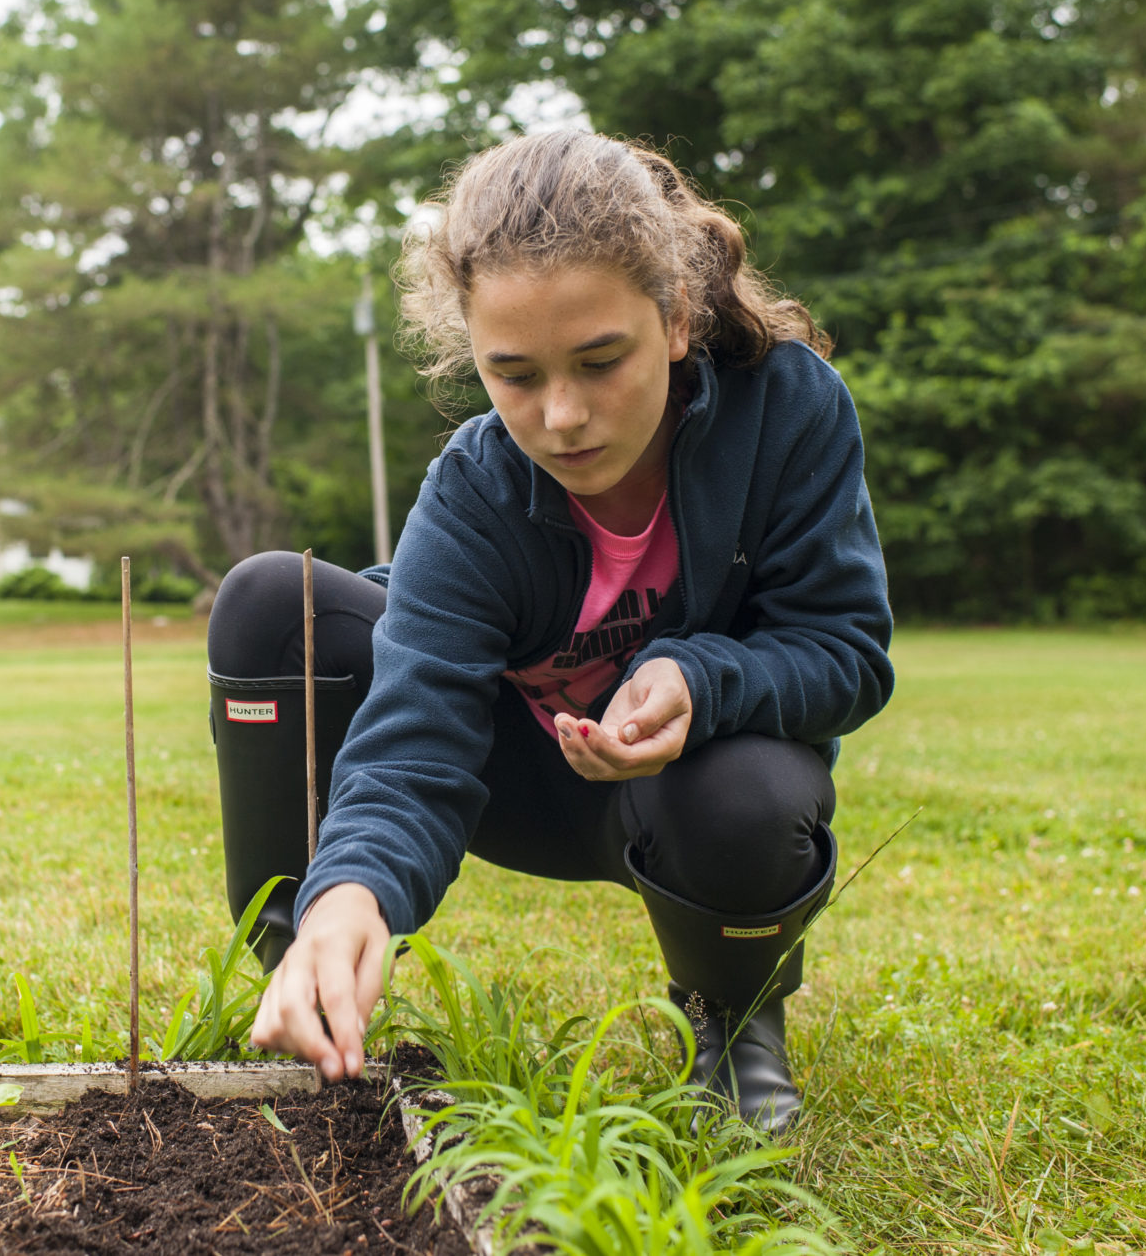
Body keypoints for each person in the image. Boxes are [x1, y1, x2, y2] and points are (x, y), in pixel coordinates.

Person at [205, 130, 894, 1132]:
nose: (561, 414)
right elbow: (411, 741)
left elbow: (842, 650)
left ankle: (734, 1021)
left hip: (681, 790)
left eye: (597, 360)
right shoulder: (474, 489)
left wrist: (702, 682)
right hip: (515, 783)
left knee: (752, 787)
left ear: (673, 317)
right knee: (274, 605)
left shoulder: (787, 411)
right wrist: (349, 884)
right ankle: (312, 982)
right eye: (514, 374)